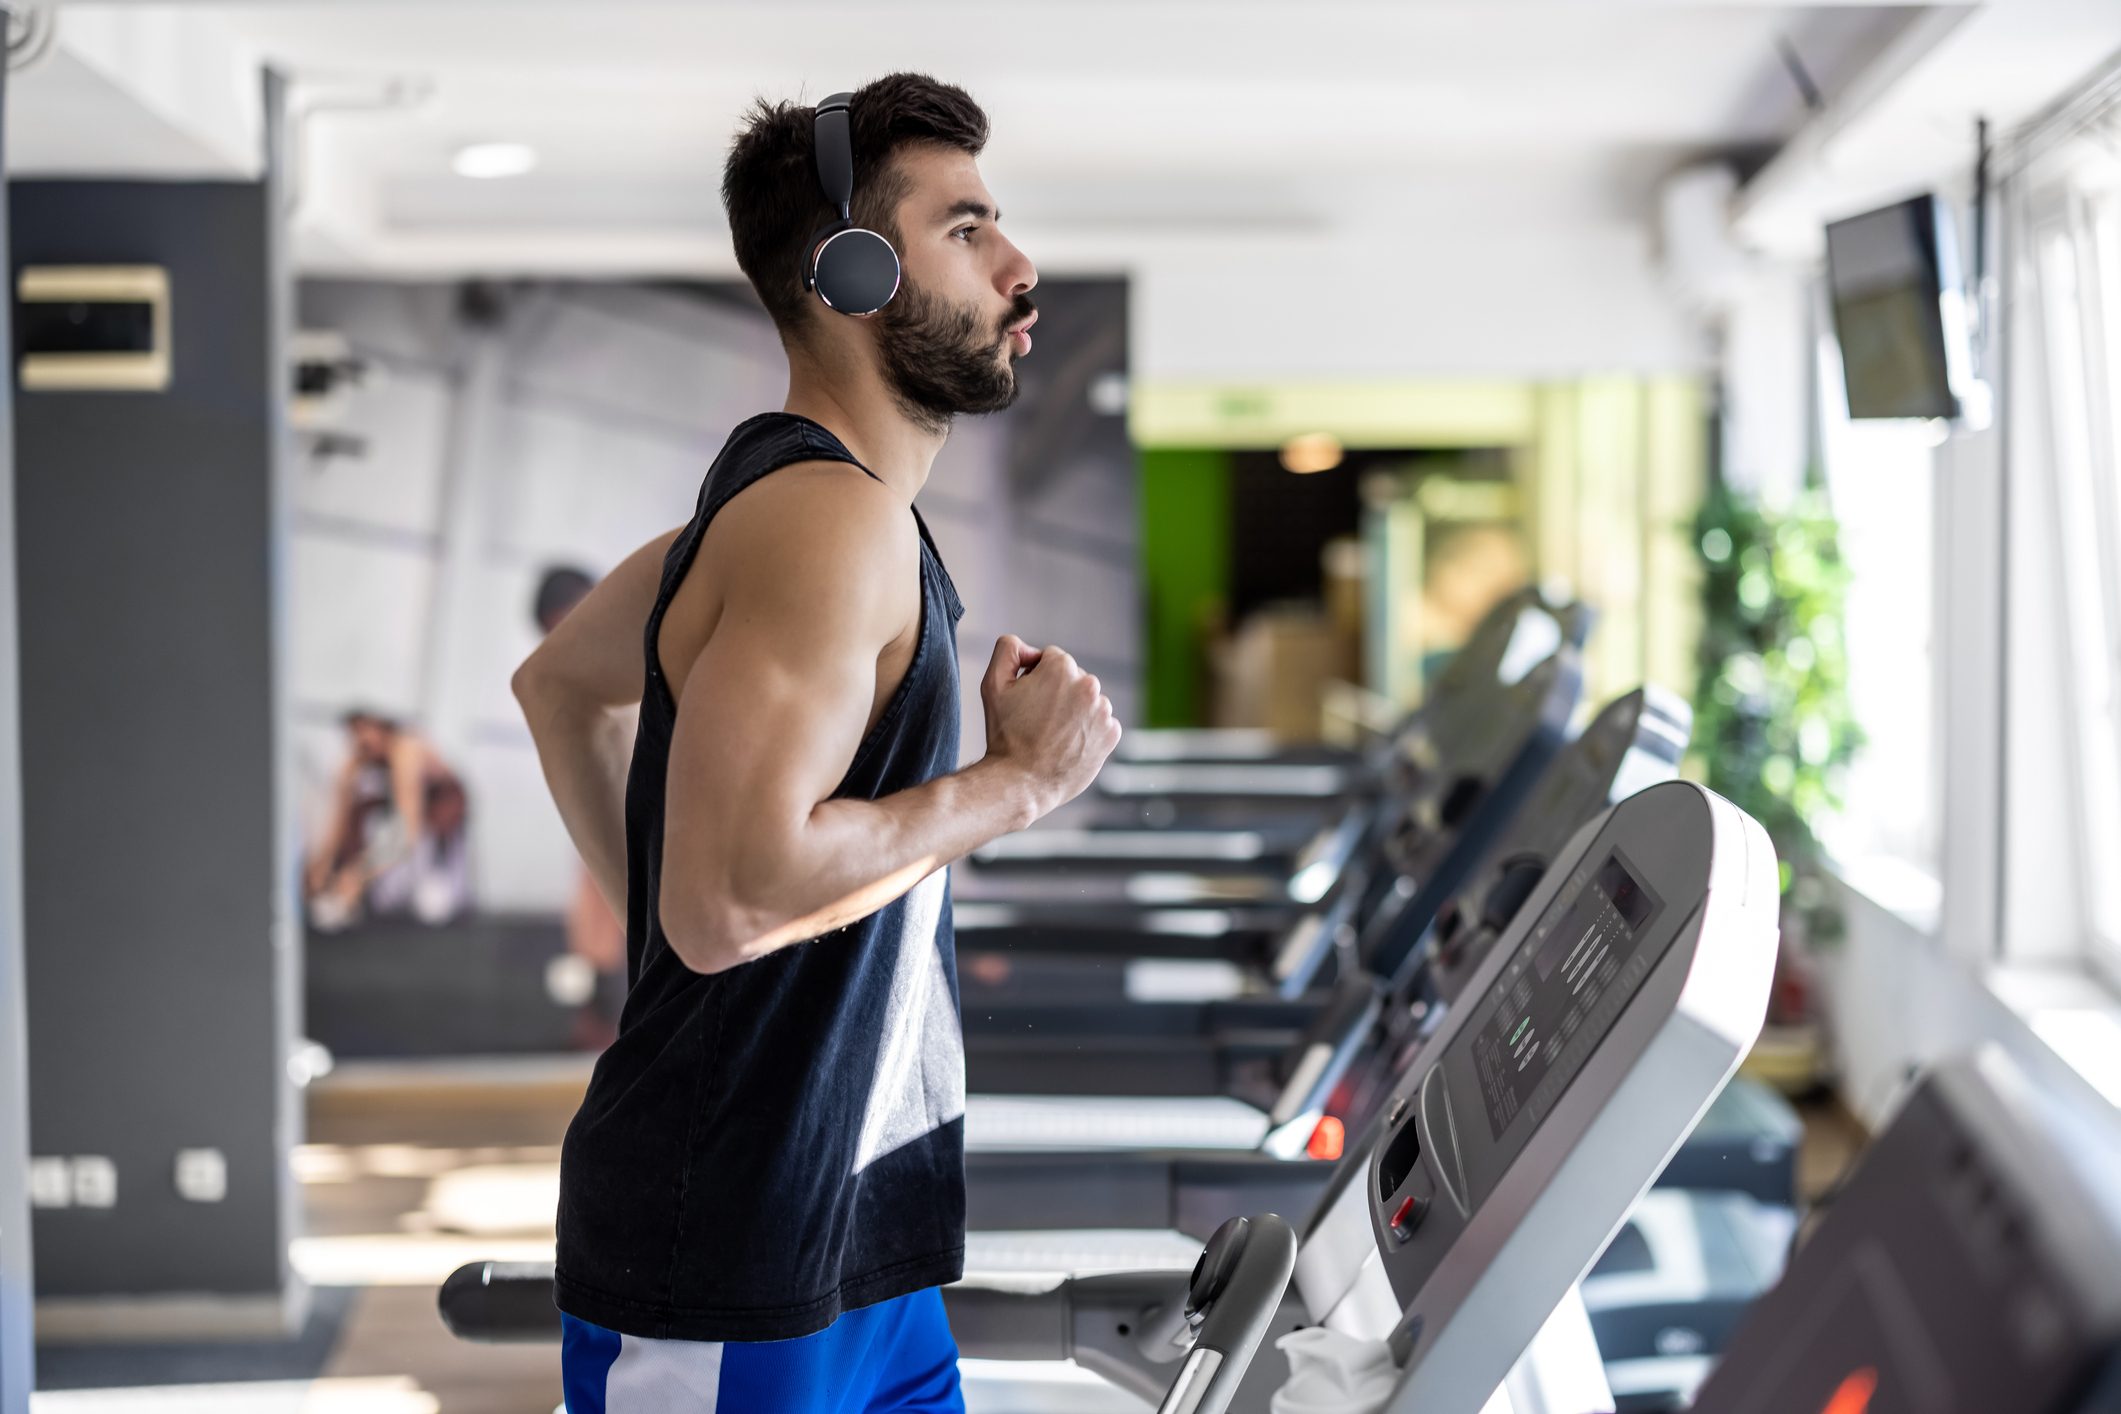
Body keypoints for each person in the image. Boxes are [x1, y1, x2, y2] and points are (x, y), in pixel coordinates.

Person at [510, 74, 1119, 1412]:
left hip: (851, 1237)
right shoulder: (823, 523)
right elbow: (730, 900)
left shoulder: (802, 517)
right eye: (965, 230)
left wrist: (672, 957)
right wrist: (1014, 784)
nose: (1018, 267)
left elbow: (560, 683)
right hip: (730, 1252)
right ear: (849, 269)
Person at [303, 710, 471, 929]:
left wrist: (358, 875)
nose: (361, 740)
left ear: (381, 727)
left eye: (365, 731)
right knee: (362, 813)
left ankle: (434, 881)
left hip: (439, 811)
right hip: (401, 812)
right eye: (355, 733)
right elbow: (340, 823)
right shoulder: (356, 762)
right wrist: (323, 866)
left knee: (415, 839)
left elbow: (406, 832)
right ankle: (349, 897)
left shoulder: (406, 749)